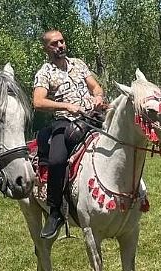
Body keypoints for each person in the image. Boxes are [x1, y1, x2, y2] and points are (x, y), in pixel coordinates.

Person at [32, 30, 105, 239]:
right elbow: (37, 102)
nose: (60, 46)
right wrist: (67, 106)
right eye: (55, 43)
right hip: (66, 123)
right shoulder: (44, 72)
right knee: (56, 160)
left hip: (92, 117)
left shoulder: (79, 64)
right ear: (46, 49)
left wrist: (98, 96)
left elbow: (96, 86)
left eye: (62, 41)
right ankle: (55, 211)